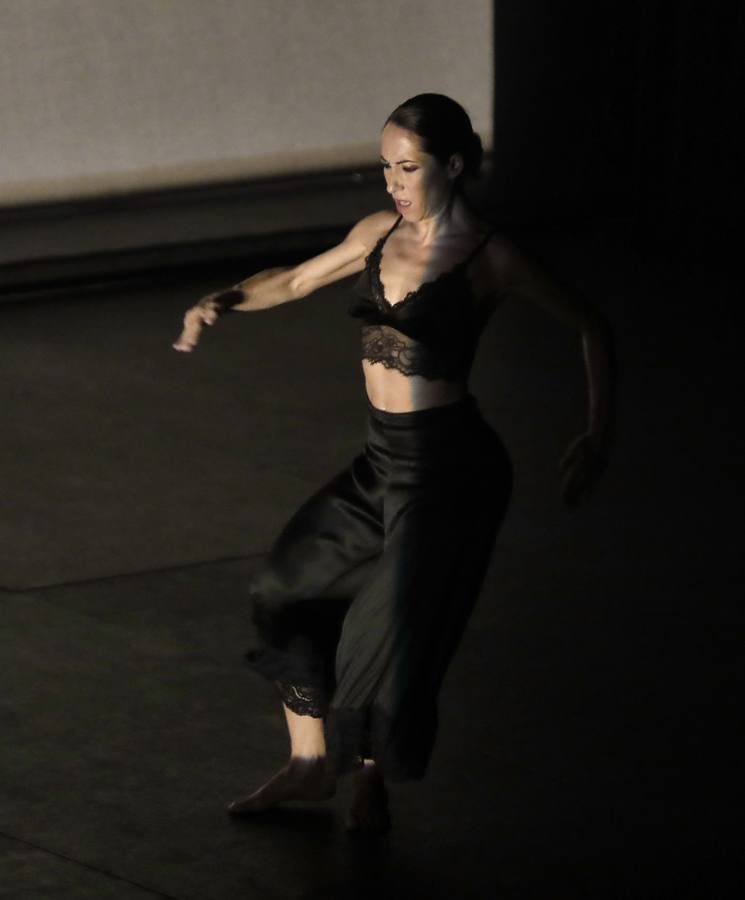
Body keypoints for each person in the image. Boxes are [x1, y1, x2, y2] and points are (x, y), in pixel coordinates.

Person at [173, 93, 615, 834]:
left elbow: (591, 325)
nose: (392, 183)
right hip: (381, 460)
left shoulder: (489, 255)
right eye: (384, 168)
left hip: (449, 472)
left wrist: (598, 433)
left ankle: (370, 786)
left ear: (452, 165)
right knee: (283, 587)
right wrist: (224, 298)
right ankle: (311, 765)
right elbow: (295, 280)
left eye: (406, 167)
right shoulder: (379, 232)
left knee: (386, 636)